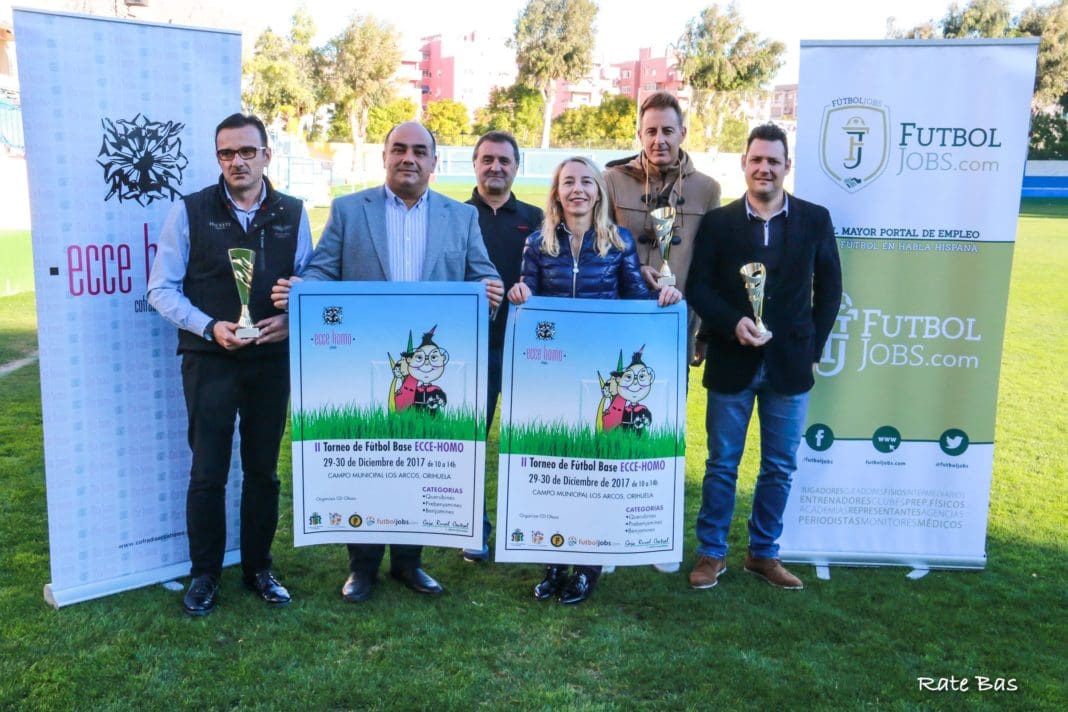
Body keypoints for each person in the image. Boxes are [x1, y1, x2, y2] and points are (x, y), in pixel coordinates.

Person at [271, 122, 503, 603]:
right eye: (399, 149)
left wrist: (493, 293)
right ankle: (362, 566)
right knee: (370, 461)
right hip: (365, 365)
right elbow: (320, 270)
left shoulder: (460, 219)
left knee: (419, 459)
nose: (409, 158)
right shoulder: (349, 210)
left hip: (430, 374)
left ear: (435, 163)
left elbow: (483, 278)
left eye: (420, 151)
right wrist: (303, 289)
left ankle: (409, 563)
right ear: (384, 156)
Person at [148, 112, 312, 615]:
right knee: (208, 472)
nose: (236, 161)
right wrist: (209, 327)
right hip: (210, 361)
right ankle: (204, 575)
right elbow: (160, 288)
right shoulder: (190, 210)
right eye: (226, 153)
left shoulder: (293, 211)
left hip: (270, 361)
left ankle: (259, 568)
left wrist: (293, 316)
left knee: (263, 470)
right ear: (217, 157)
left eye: (246, 151)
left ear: (267, 154)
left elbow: (311, 280)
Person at [508, 156, 681, 605]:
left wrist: (664, 293)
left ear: (599, 193)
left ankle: (586, 567)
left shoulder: (619, 241)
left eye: (587, 181)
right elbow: (526, 294)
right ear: (557, 192)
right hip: (553, 376)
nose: (578, 190)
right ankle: (552, 561)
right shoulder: (538, 242)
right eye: (569, 183)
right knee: (554, 467)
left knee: (593, 468)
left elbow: (637, 301)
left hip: (600, 376)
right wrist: (519, 292)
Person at [685, 123, 842, 591]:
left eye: (774, 161)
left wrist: (813, 349)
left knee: (779, 465)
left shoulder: (815, 219)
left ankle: (763, 553)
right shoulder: (720, 223)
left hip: (790, 367)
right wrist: (733, 323)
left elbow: (830, 290)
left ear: (786, 166)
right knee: (721, 464)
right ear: (744, 164)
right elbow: (699, 287)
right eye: (756, 159)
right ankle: (711, 553)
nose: (764, 168)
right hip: (732, 363)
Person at [604, 91, 721, 575]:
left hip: (677, 330)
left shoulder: (708, 190)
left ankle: (655, 537)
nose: (659, 139)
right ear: (639, 135)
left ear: (683, 134)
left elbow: (713, 267)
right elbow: (598, 249)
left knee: (663, 434)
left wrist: (703, 334)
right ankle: (610, 533)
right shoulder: (612, 180)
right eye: (650, 131)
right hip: (619, 327)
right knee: (614, 431)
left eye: (667, 130)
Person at [461, 131, 544, 563]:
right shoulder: (455, 217)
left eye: (504, 161)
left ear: (517, 167)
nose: (496, 167)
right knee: (472, 441)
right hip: (474, 350)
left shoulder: (537, 217)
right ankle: (475, 528)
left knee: (529, 442)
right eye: (487, 159)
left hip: (529, 353)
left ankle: (530, 524)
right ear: (474, 164)